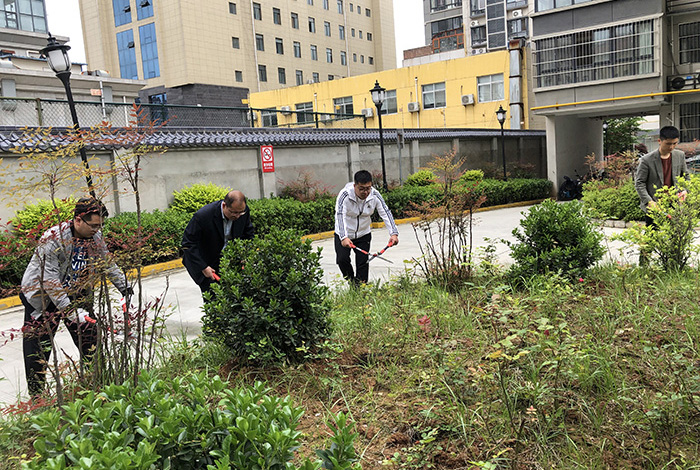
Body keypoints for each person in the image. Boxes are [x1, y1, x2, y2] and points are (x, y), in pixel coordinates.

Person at [20, 197, 130, 397]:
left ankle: (95, 384)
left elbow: (107, 262)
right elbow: (50, 279)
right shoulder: (53, 238)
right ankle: (37, 398)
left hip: (77, 291)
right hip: (43, 296)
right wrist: (70, 312)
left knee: (90, 338)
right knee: (38, 347)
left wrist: (125, 287)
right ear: (78, 219)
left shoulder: (95, 236)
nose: (97, 230)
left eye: (100, 226)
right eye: (94, 225)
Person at [182, 190, 255, 295]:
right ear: (224, 205)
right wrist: (203, 267)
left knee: (235, 293)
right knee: (214, 296)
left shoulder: (243, 211)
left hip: (226, 259)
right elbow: (188, 243)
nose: (238, 216)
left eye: (241, 212)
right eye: (234, 212)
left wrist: (246, 255)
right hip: (204, 261)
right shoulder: (203, 215)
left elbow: (248, 235)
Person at [634, 125, 688, 263]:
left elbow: (686, 177)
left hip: (675, 204)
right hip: (654, 206)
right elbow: (639, 183)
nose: (671, 147)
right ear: (659, 141)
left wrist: (684, 191)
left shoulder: (680, 156)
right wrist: (649, 201)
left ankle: (673, 265)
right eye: (668, 143)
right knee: (651, 237)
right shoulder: (647, 160)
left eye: (674, 143)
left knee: (676, 237)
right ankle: (643, 266)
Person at [334, 170, 399, 285]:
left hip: (363, 234)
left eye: (368, 188)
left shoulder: (374, 195)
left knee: (362, 263)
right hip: (344, 234)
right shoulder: (344, 195)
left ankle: (361, 289)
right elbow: (340, 215)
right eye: (361, 189)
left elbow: (385, 212)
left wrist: (393, 233)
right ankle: (352, 283)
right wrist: (343, 237)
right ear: (355, 186)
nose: (365, 192)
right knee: (342, 260)